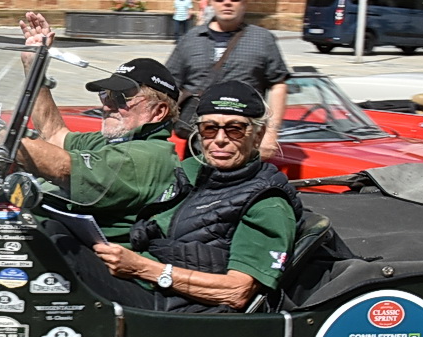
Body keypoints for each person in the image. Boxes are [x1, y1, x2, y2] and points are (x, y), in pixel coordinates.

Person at [80, 80, 302, 313]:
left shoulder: (268, 203)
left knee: (60, 254)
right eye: (209, 128)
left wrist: (142, 268)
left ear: (257, 136)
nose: (220, 139)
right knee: (57, 239)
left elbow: (237, 291)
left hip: (181, 309)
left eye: (235, 129)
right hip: (152, 287)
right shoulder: (192, 172)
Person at [16, 13, 183, 242]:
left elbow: (63, 168)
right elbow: (54, 135)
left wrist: (3, 140)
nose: (107, 107)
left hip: (98, 264)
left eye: (121, 99)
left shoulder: (147, 156)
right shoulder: (118, 140)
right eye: (106, 96)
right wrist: (34, 64)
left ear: (158, 112)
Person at [166, 0, 288, 160]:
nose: (227, 2)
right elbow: (168, 86)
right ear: (211, 1)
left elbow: (278, 85)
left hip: (242, 141)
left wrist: (271, 135)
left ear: (245, 1)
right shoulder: (191, 39)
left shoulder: (262, 39)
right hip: (197, 140)